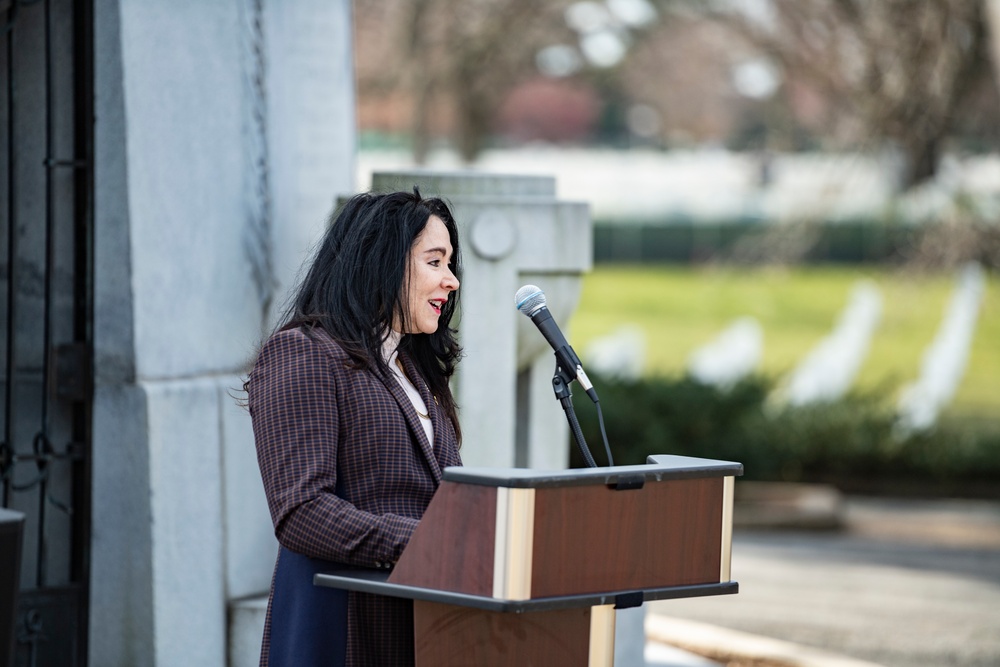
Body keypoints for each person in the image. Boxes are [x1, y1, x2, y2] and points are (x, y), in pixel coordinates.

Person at [245, 189, 463, 667]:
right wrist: (426, 543)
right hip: (341, 632)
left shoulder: (413, 370)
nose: (451, 281)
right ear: (381, 260)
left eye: (450, 265)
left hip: (426, 629)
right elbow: (301, 510)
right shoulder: (304, 353)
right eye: (435, 261)